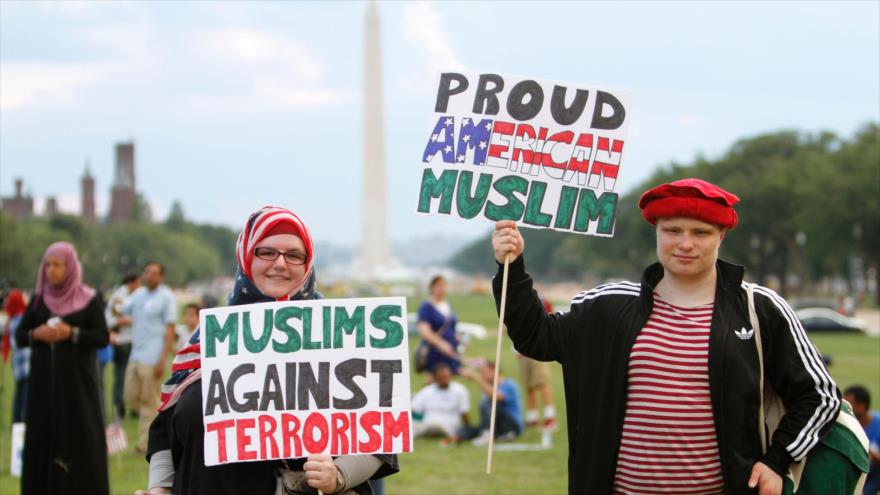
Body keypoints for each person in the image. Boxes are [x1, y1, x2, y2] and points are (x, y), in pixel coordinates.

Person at [491, 178, 841, 494]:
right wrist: (512, 267)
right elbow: (534, 336)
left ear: (722, 235)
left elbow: (820, 396)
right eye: (673, 230)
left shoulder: (760, 309)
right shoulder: (608, 305)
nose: (685, 244)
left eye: (700, 232)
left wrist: (777, 461)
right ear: (656, 231)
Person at [138, 206, 398, 495]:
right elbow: (165, 426)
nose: (280, 264)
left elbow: (380, 434)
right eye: (267, 252)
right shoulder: (209, 337)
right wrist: (159, 487)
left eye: (294, 255)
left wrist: (338, 475)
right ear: (247, 256)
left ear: (307, 262)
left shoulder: (341, 336)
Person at [14, 242, 110, 495]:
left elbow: (102, 337)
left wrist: (72, 333)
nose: (51, 270)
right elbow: (20, 335)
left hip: (78, 387)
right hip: (43, 388)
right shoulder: (38, 301)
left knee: (81, 437)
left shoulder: (88, 300)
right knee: (43, 440)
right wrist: (38, 333)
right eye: (47, 265)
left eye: (57, 265)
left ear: (70, 267)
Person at [122, 262, 177, 453]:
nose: (150, 276)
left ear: (161, 277)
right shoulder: (138, 295)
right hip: (135, 354)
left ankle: (146, 444)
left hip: (153, 356)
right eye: (147, 272)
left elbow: (170, 329)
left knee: (148, 401)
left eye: (154, 274)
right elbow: (121, 311)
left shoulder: (166, 297)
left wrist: (163, 359)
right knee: (130, 397)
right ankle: (162, 432)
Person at [516, 295, 557, 430]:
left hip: (538, 349)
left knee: (541, 383)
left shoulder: (539, 300)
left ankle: (550, 417)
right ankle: (532, 417)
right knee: (529, 386)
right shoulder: (517, 301)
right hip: (523, 352)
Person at [458, 360, 523, 445]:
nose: (482, 375)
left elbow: (497, 397)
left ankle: (488, 433)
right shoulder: (489, 388)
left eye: (483, 372)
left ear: (494, 370)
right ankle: (487, 433)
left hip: (511, 425)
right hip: (497, 425)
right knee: (464, 431)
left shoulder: (509, 384)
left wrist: (477, 378)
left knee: (488, 403)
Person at [105, 272, 140, 419]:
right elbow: (111, 319)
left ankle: (133, 407)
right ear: (132, 283)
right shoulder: (119, 297)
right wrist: (124, 321)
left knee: (134, 376)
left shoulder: (134, 295)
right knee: (121, 376)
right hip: (122, 341)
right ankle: (120, 408)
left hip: (134, 340)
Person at [412, 362, 470, 441]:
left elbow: (464, 412)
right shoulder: (427, 391)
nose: (444, 380)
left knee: (436, 426)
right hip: (427, 424)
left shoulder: (460, 390)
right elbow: (415, 409)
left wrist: (467, 428)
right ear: (435, 378)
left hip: (449, 427)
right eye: (441, 377)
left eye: (446, 376)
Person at [416, 275, 460, 375]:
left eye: (444, 285)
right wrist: (441, 344)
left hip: (450, 351)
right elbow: (424, 331)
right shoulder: (426, 306)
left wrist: (456, 338)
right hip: (435, 351)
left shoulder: (447, 305)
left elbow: (451, 327)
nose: (442, 289)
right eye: (438, 285)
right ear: (432, 288)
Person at [844, 385, 880, 494]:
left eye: (849, 405)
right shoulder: (846, 423)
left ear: (862, 406)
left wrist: (871, 454)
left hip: (873, 476)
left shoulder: (878, 425)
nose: (845, 409)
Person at [3, 289, 29, 423]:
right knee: (25, 397)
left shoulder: (13, 319)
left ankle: (17, 422)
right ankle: (22, 423)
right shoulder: (21, 319)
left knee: (19, 395)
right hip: (26, 364)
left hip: (18, 365)